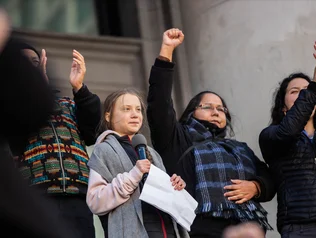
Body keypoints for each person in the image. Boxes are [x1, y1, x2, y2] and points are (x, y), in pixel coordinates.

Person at [147, 28, 275, 238]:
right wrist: (167, 51)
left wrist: (256, 187)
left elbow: (269, 178)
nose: (216, 111)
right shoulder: (177, 138)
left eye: (221, 109)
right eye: (207, 106)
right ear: (191, 111)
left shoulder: (240, 149)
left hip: (247, 229)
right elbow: (159, 103)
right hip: (200, 230)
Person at [0, 8, 76, 238]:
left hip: (71, 194)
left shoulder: (64, 103)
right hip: (38, 186)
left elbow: (31, 110)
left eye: (34, 62)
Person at [14, 43, 101, 238]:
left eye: (35, 63)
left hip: (77, 195)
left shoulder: (68, 104)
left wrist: (79, 88)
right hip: (37, 198)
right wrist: (33, 92)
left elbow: (91, 131)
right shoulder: (10, 107)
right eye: (24, 63)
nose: (31, 67)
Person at [259, 41, 316, 237]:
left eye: (308, 91)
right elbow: (287, 132)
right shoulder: (271, 135)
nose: (304, 94)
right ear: (284, 108)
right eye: (296, 92)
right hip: (299, 229)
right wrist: (312, 87)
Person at [86, 88, 189, 238]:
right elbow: (95, 201)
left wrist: (175, 186)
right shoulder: (103, 150)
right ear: (108, 116)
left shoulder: (151, 153)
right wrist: (133, 176)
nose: (135, 114)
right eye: (126, 109)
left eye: (138, 109)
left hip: (168, 230)